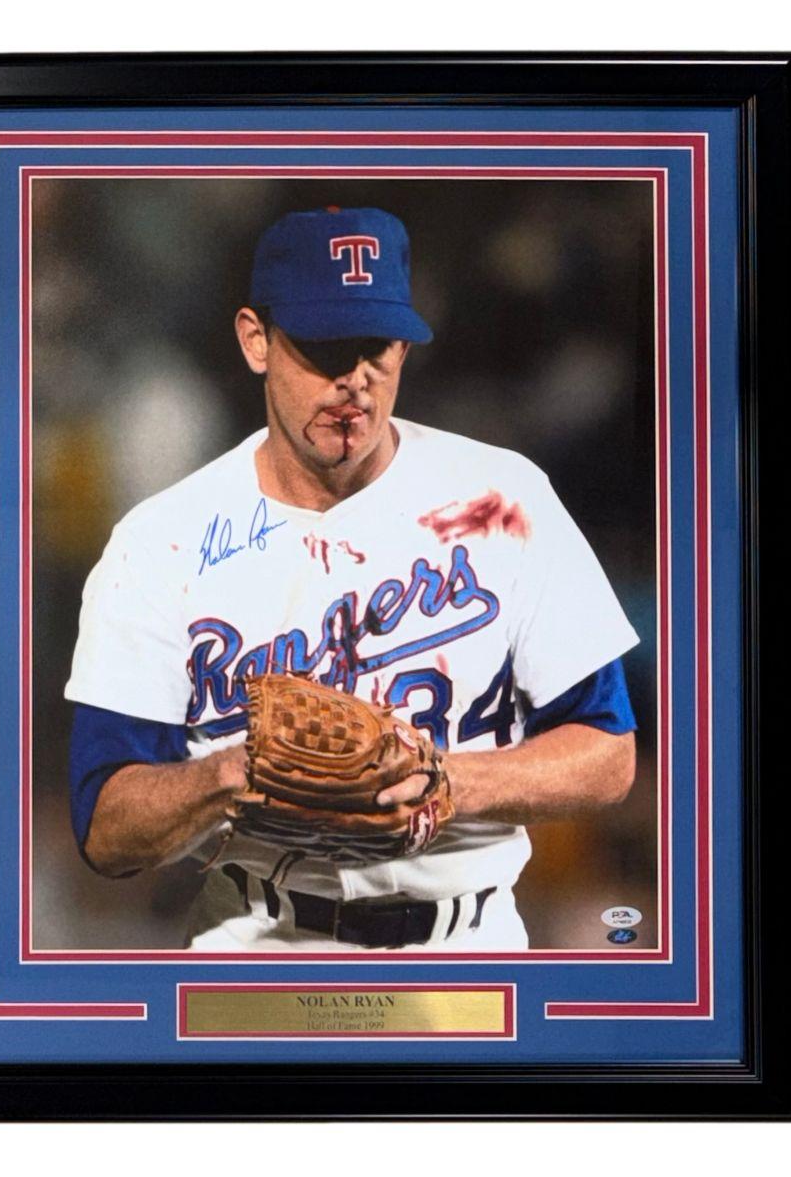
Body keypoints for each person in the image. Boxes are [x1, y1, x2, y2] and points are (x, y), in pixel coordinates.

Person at [64, 206, 639, 952]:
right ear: (256, 341)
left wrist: (448, 781)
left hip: (465, 941)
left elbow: (609, 753)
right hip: (257, 939)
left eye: (376, 348)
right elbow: (105, 829)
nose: (353, 380)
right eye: (325, 347)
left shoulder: (503, 500)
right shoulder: (161, 541)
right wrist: (229, 778)